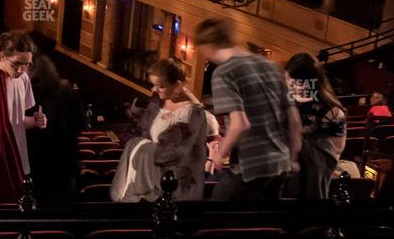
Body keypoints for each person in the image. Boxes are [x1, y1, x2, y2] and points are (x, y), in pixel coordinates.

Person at [196, 18, 301, 201]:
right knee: (263, 225)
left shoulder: (224, 72)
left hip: (251, 166)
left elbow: (240, 124)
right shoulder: (272, 67)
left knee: (214, 215)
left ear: (207, 45)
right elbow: (294, 120)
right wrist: (292, 159)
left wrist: (218, 156)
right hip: (280, 164)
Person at [111, 59, 215, 202]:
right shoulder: (157, 101)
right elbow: (150, 129)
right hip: (149, 180)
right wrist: (140, 114)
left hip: (175, 188)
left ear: (177, 84)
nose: (154, 89)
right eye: (153, 85)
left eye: (160, 86)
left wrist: (142, 149)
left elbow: (172, 153)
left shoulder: (192, 114)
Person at [0, 32, 46, 204]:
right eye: (16, 64)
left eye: (27, 65)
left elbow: (18, 121)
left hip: (19, 156)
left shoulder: (24, 79)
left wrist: (35, 121)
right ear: (2, 56)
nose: (21, 70)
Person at [285, 54, 346, 200]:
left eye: (300, 82)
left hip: (308, 182)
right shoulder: (283, 103)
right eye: (289, 80)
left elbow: (331, 156)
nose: (295, 86)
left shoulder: (332, 112)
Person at [27, 55, 85, 206]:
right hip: (65, 159)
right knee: (62, 206)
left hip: (37, 159)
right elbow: (80, 125)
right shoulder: (68, 91)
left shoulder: (27, 93)